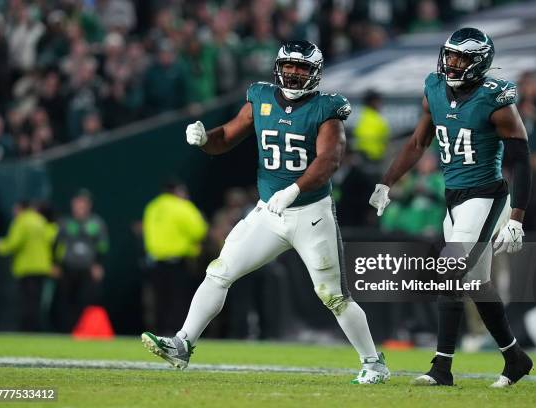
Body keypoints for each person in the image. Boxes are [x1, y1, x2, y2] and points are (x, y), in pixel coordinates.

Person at [141, 40, 389, 384]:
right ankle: (182, 343)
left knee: (333, 296)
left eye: (302, 68)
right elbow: (226, 136)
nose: (293, 72)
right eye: (289, 65)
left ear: (315, 73)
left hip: (310, 213)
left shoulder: (326, 109)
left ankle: (373, 361)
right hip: (268, 212)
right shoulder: (260, 97)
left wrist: (294, 190)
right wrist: (204, 139)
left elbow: (329, 159)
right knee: (220, 271)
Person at [369, 28, 533, 388]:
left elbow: (520, 161)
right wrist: (387, 181)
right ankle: (515, 358)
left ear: (479, 63)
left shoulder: (496, 99)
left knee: (448, 270)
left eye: (461, 58)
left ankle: (441, 366)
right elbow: (417, 141)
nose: (452, 63)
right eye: (450, 55)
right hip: (455, 198)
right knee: (478, 284)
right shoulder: (434, 88)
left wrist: (517, 218)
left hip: (486, 195)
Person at [142, 181, 208, 335]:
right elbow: (199, 231)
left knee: (159, 300)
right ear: (177, 191)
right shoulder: (182, 206)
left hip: (156, 261)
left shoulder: (152, 207)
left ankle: (159, 332)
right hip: (178, 262)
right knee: (179, 300)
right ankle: (178, 333)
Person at [0, 201, 57, 331]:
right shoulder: (41, 221)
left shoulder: (22, 221)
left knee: (26, 302)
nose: (14, 213)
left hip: (27, 268)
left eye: (15, 210)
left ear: (21, 209)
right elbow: (52, 237)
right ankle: (35, 329)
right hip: (42, 268)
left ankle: (27, 329)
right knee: (36, 301)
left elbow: (13, 243)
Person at [53, 189, 109, 332]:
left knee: (85, 301)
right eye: (77, 203)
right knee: (65, 302)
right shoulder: (65, 223)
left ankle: (83, 331)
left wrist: (98, 265)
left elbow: (102, 247)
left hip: (87, 270)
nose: (80, 206)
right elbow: (55, 244)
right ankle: (65, 331)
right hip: (68, 269)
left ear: (88, 205)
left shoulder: (96, 223)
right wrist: (55, 264)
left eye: (83, 203)